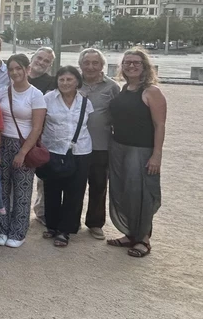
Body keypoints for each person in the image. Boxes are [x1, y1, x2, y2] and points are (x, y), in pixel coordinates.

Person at [107, 49, 166, 258]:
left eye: (136, 63)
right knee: (122, 191)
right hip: (118, 147)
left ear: (145, 66)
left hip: (140, 150)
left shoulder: (152, 92)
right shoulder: (125, 89)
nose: (131, 66)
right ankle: (131, 233)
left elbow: (159, 125)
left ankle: (143, 239)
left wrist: (156, 154)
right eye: (127, 62)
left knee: (141, 193)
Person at [0, 54, 46, 248]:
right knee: (1, 189)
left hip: (24, 145)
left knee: (22, 191)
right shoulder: (2, 92)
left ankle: (18, 231)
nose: (15, 72)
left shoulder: (36, 95)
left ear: (27, 69)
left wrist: (23, 152)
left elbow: (37, 127)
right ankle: (1, 228)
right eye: (11, 69)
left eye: (18, 68)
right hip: (2, 142)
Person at [41, 66, 93, 248]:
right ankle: (52, 225)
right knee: (52, 190)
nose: (65, 83)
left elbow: (89, 125)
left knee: (75, 192)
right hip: (53, 150)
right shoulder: (47, 99)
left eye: (69, 80)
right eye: (61, 79)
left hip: (80, 151)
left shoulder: (85, 102)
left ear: (77, 81)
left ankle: (66, 230)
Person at [79, 48, 120, 240]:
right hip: (76, 145)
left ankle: (95, 223)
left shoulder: (112, 87)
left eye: (95, 63)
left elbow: (118, 117)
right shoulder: (73, 82)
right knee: (74, 185)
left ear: (102, 66)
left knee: (98, 185)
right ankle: (70, 220)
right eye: (86, 63)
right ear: (80, 65)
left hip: (100, 145)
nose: (90, 67)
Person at [29, 46, 56, 225]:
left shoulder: (52, 82)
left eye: (47, 61)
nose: (41, 62)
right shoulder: (19, 75)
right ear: (33, 57)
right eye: (39, 58)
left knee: (43, 174)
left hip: (42, 133)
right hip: (17, 131)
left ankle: (42, 211)